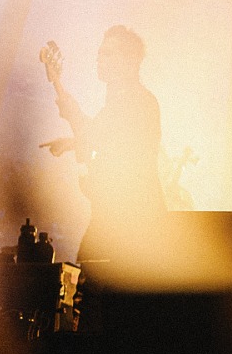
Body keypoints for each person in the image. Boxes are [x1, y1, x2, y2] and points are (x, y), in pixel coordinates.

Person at [39, 25, 165, 262]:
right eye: (100, 53)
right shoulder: (120, 102)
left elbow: (103, 139)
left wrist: (71, 111)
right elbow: (103, 138)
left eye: (109, 53)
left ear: (130, 61)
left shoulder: (139, 101)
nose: (100, 59)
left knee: (93, 273)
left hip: (131, 221)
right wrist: (73, 142)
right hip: (116, 217)